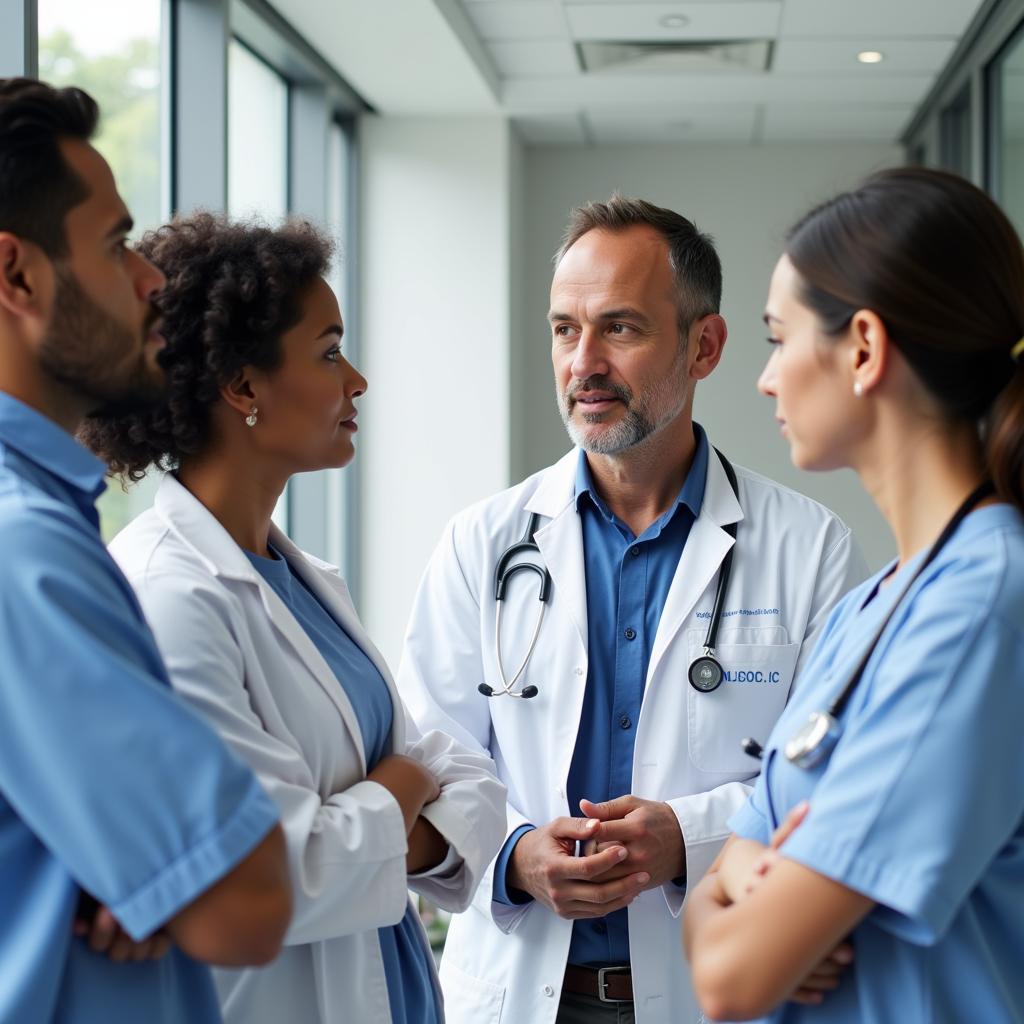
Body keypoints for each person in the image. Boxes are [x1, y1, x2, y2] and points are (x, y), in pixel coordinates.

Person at [396, 195, 868, 1024]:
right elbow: (427, 758)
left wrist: (687, 837)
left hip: (710, 992)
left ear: (705, 345)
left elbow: (838, 786)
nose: (583, 364)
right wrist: (515, 853)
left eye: (619, 328)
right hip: (513, 993)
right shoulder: (483, 542)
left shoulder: (811, 549)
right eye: (564, 329)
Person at [80, 212, 507, 1024]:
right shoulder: (171, 596)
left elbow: (471, 780)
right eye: (329, 351)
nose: (358, 380)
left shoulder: (294, 576)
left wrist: (390, 796)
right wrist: (408, 785)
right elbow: (278, 874)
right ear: (243, 387)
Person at [683, 167, 1024, 1023]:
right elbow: (709, 904)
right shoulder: (865, 609)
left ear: (864, 349)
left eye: (777, 337)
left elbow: (729, 977)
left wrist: (744, 907)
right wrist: (735, 888)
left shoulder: (984, 607)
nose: (764, 381)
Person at [0, 78, 291, 1023]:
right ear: (17, 276)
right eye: (117, 243)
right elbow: (248, 903)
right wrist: (165, 872)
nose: (151, 279)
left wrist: (134, 863)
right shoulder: (23, 551)